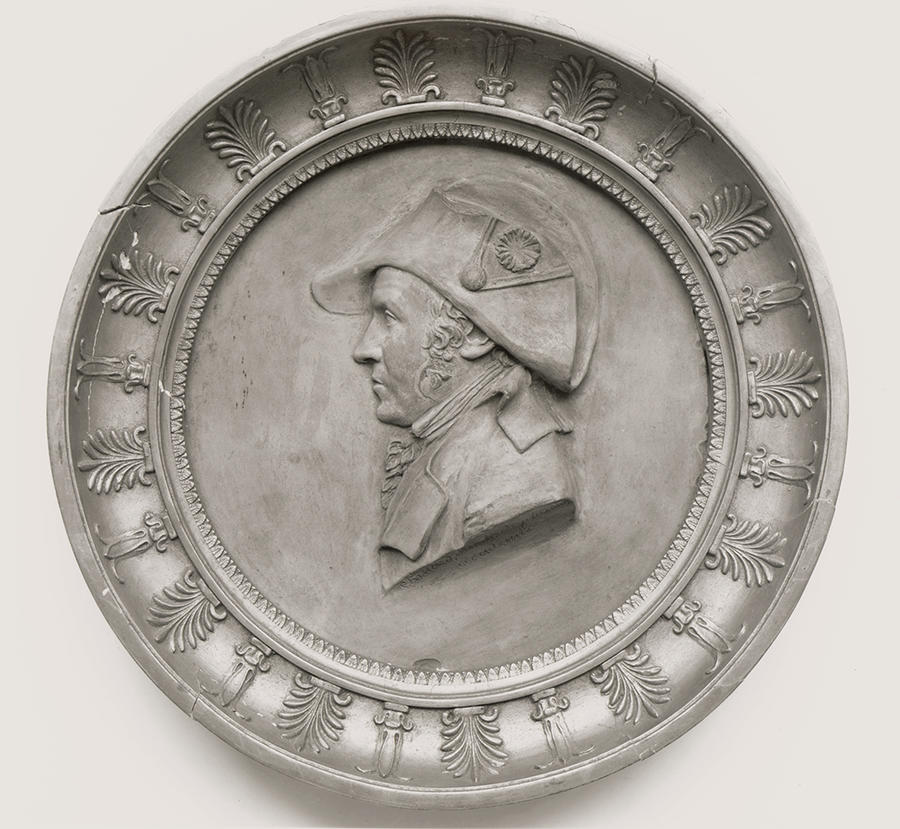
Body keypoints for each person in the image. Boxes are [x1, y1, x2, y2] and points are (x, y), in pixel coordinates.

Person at [311, 176, 599, 590]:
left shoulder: (521, 479)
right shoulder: (453, 442)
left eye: (389, 317)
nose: (364, 348)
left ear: (475, 335)